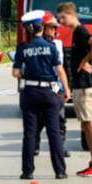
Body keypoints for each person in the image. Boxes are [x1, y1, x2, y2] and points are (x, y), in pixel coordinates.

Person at [13, 10, 71, 180]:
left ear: (29, 29)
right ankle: (60, 171)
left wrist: (27, 71)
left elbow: (16, 72)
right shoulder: (51, 47)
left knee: (30, 133)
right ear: (42, 28)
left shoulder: (23, 48)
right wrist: (66, 90)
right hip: (49, 93)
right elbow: (60, 71)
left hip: (30, 93)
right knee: (54, 133)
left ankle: (27, 171)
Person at [56, 1, 92, 178]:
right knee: (85, 124)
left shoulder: (80, 30)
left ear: (70, 14)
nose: (61, 22)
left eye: (62, 18)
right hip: (80, 85)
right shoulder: (76, 33)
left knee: (89, 123)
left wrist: (86, 60)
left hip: (86, 85)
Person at [34, 12, 70, 158]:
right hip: (38, 85)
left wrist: (65, 88)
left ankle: (61, 146)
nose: (56, 31)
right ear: (43, 28)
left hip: (54, 84)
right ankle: (35, 144)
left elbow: (62, 67)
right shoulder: (35, 44)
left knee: (60, 116)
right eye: (52, 27)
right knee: (38, 118)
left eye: (56, 28)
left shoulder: (58, 44)